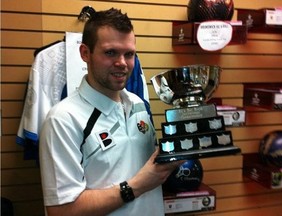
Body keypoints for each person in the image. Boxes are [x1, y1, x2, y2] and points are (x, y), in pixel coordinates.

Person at [39, 8, 183, 216]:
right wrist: (136, 186)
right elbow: (61, 211)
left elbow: (146, 169)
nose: (122, 63)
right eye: (110, 52)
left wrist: (180, 148)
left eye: (129, 54)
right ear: (85, 53)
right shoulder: (63, 120)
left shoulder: (138, 104)